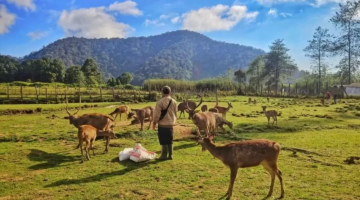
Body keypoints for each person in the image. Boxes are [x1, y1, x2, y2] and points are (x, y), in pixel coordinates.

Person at [152, 86, 177, 160]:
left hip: (163, 125)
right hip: (171, 124)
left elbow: (157, 114)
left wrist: (154, 122)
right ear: (170, 92)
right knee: (170, 140)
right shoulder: (174, 101)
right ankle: (170, 155)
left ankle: (163, 155)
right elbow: (176, 113)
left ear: (162, 92)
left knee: (163, 140)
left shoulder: (160, 102)